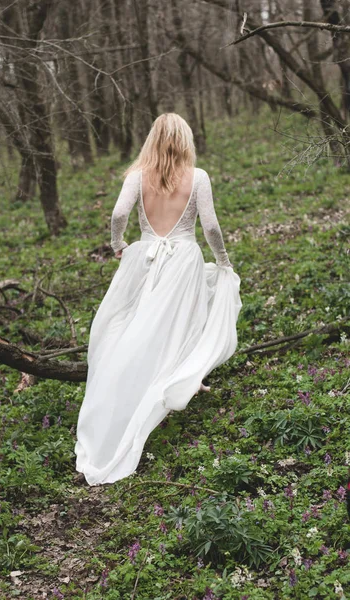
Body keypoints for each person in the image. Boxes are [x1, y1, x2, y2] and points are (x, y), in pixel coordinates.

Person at [74, 113, 242, 486]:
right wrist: (223, 261)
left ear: (152, 139)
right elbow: (211, 226)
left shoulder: (137, 176)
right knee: (179, 323)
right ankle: (177, 378)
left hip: (144, 255)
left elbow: (119, 214)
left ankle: (160, 381)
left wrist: (119, 245)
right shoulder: (197, 177)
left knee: (135, 324)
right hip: (183, 258)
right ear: (184, 141)